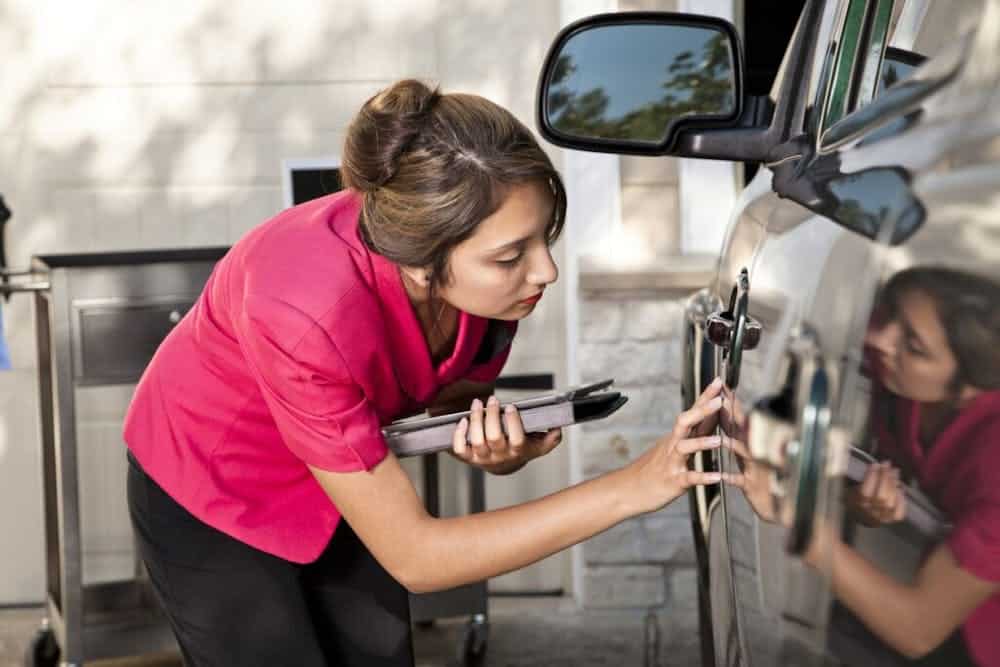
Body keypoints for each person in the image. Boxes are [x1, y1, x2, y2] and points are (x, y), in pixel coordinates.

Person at [124, 79, 725, 667]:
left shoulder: (490, 298)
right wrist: (633, 485)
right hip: (213, 482)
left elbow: (453, 398)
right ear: (418, 263)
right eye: (511, 256)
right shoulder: (305, 309)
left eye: (545, 238)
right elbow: (416, 556)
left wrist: (494, 449)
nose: (545, 271)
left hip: (347, 479)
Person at [728, 267, 1000, 666]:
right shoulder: (905, 375)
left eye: (913, 346)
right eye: (889, 317)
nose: (877, 338)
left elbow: (918, 628)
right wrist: (861, 504)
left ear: (971, 389)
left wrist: (794, 513)